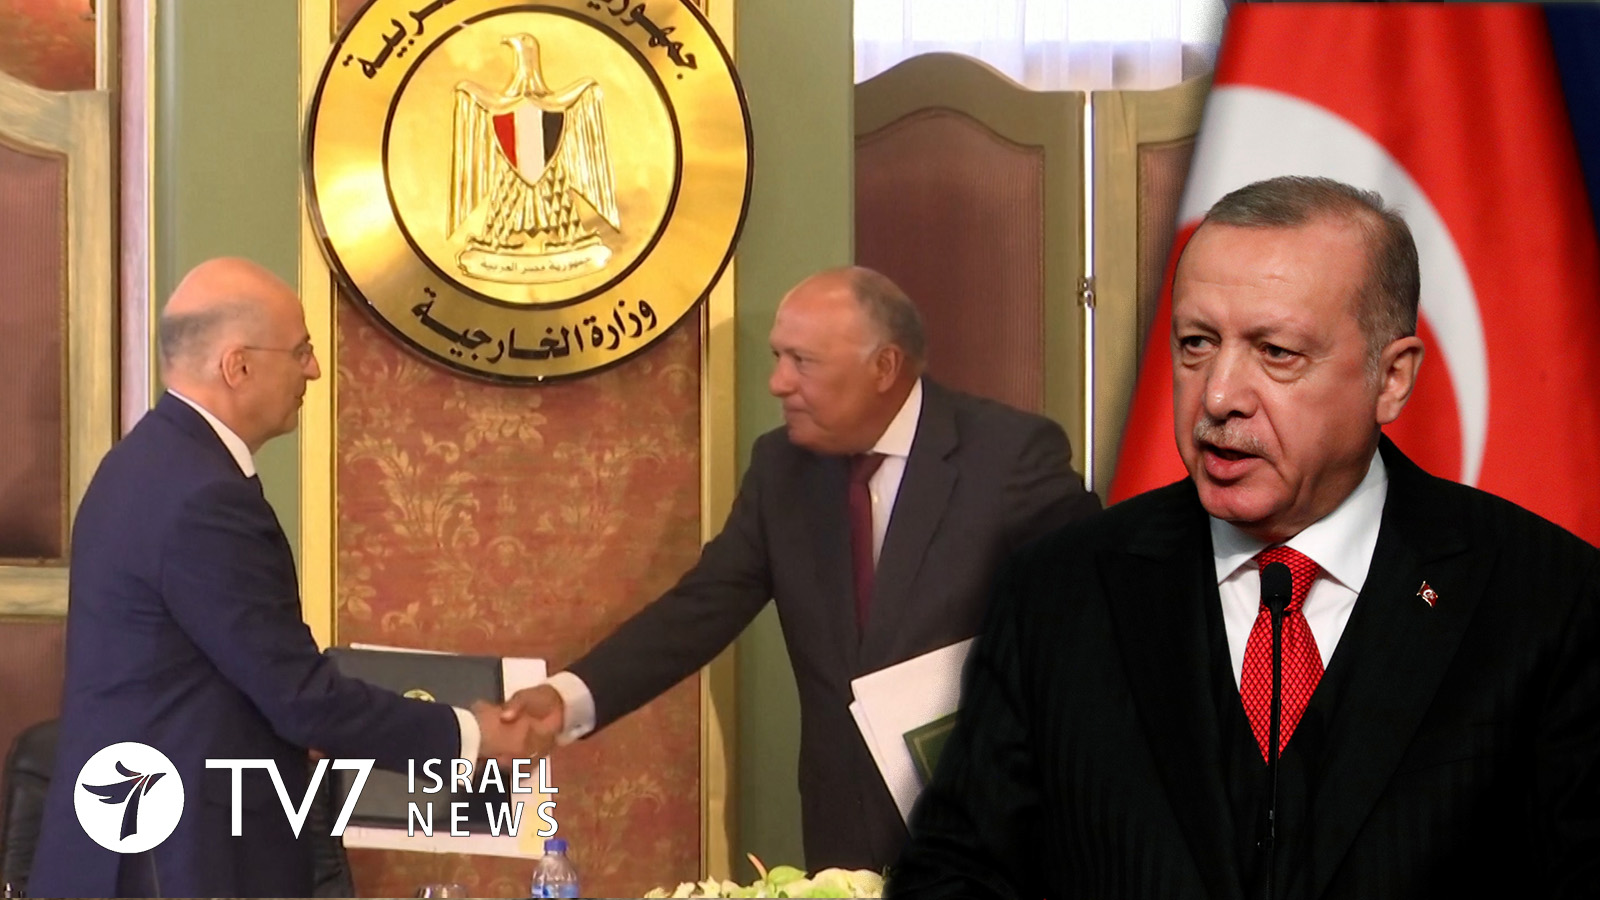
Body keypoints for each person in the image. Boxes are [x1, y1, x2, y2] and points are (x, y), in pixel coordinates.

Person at [887, 176, 1600, 898]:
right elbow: (955, 876)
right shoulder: (1055, 594)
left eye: (1276, 351)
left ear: (1392, 378)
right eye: (1196, 343)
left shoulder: (1549, 600)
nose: (1219, 394)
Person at [501, 266, 1101, 871]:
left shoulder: (1008, 456)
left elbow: (1094, 618)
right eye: (777, 357)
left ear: (884, 367)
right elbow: (701, 608)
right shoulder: (780, 468)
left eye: (802, 362)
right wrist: (567, 698)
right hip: (843, 834)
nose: (778, 383)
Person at [31, 259, 538, 898]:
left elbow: (218, 676)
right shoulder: (203, 497)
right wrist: (472, 735)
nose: (314, 370)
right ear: (237, 366)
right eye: (300, 351)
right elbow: (301, 699)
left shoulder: (143, 464)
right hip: (179, 864)